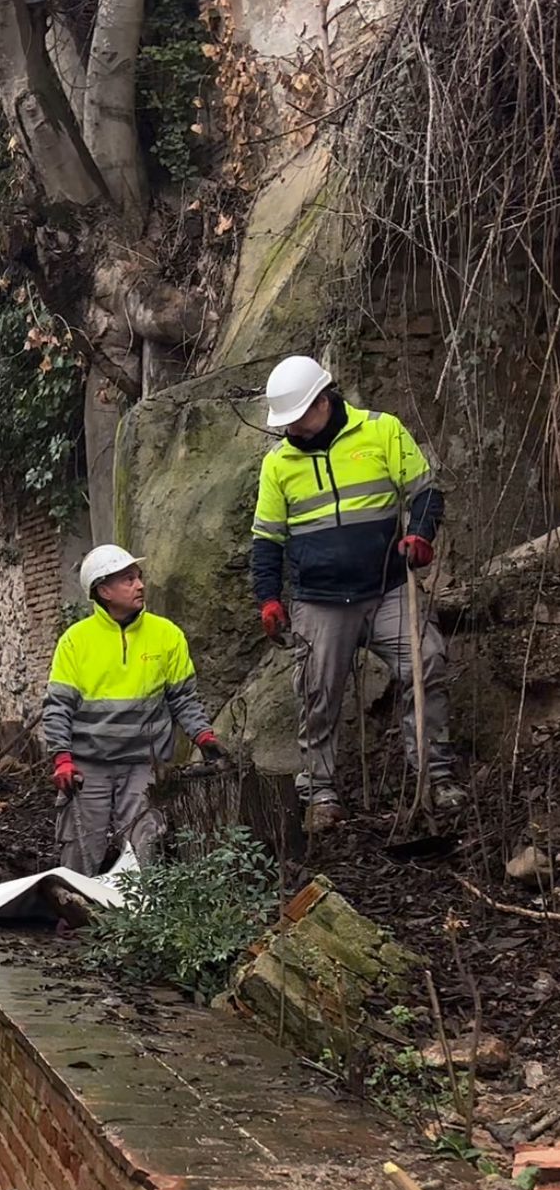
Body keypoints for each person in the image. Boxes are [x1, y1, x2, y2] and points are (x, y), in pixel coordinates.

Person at [251, 356, 462, 833]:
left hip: (388, 586)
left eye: (297, 420)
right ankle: (321, 792)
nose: (291, 431)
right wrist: (268, 597)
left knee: (426, 661)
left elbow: (426, 492)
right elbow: (266, 540)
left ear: (323, 402)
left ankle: (435, 775)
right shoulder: (278, 464)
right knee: (316, 692)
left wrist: (422, 534)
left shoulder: (381, 431)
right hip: (320, 601)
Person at [44, 544, 224, 873]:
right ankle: (72, 914)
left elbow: (183, 698)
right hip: (89, 767)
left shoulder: (167, 635)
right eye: (128, 579)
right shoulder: (75, 641)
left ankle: (142, 914)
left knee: (145, 842)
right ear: (104, 590)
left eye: (138, 577)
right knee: (81, 846)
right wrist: (62, 759)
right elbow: (58, 707)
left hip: (144, 762)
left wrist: (203, 735)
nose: (140, 585)